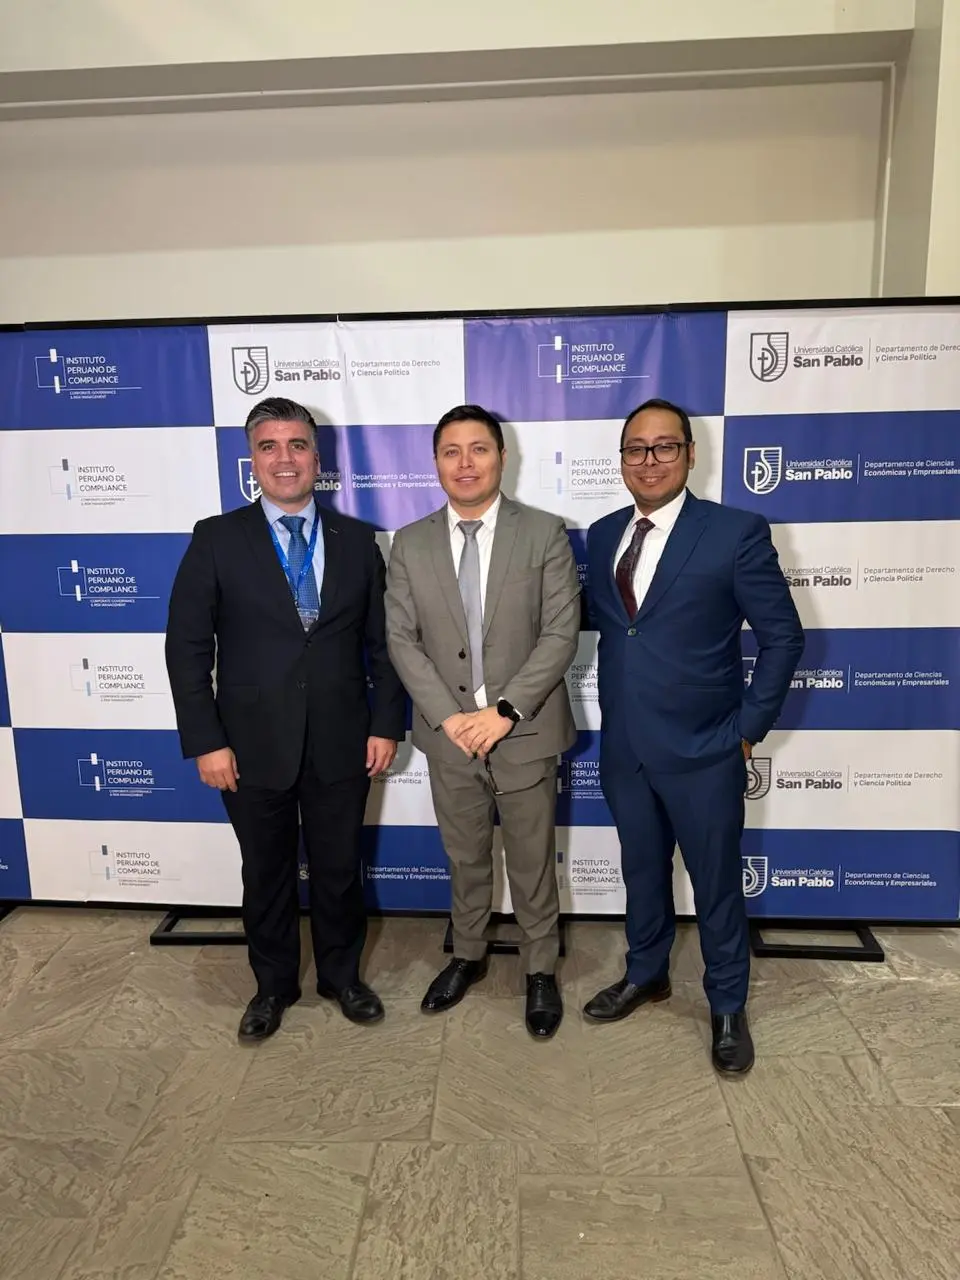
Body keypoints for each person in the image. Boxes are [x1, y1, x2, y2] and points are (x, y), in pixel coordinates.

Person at [165, 396, 405, 1043]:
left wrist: (386, 725)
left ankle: (342, 977)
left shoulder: (358, 542)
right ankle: (272, 987)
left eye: (297, 445)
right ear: (252, 460)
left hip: (342, 741)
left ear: (317, 459)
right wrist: (207, 741)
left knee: (338, 871)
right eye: (268, 446)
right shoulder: (216, 538)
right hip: (249, 746)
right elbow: (186, 648)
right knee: (265, 875)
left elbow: (385, 646)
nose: (284, 459)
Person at [583, 398, 803, 1074]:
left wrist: (745, 731)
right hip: (625, 749)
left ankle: (727, 1005)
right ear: (622, 459)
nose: (648, 460)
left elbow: (784, 638)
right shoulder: (602, 534)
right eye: (635, 449)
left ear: (689, 454)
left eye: (664, 447)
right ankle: (646, 973)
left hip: (706, 751)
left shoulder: (735, 532)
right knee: (641, 873)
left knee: (716, 886)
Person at [385, 405, 581, 1039]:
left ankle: (540, 969)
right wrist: (450, 718)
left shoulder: (544, 533)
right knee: (464, 857)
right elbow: (401, 640)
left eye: (479, 449)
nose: (465, 463)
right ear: (435, 463)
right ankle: (466, 955)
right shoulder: (409, 542)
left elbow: (560, 633)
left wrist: (504, 711)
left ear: (502, 457)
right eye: (451, 451)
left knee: (531, 862)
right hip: (450, 738)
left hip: (524, 731)